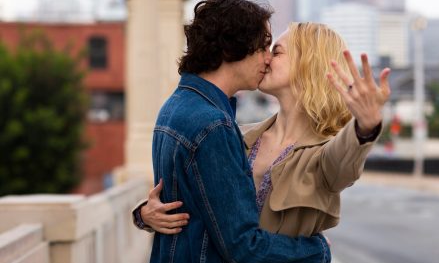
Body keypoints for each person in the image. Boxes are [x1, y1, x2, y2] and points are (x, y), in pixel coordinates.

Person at [135, 21, 391, 241]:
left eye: (276, 52)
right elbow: (192, 200)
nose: (265, 58)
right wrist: (145, 214)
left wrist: (365, 126)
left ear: (308, 64)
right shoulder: (235, 135)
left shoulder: (323, 155)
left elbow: (344, 160)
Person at [144, 0, 332, 263]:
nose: (268, 60)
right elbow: (242, 246)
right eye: (264, 47)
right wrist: (317, 252)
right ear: (234, 48)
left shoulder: (175, 106)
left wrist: (141, 214)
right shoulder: (212, 126)